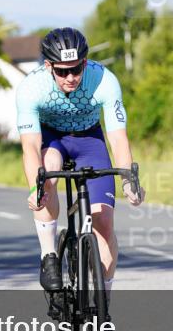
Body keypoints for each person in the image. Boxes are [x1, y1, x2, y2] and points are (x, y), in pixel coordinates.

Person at [16, 27, 144, 296]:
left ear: (85, 62)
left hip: (89, 140)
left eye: (76, 69)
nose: (71, 77)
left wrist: (129, 181)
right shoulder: (32, 87)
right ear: (49, 66)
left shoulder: (104, 80)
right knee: (47, 173)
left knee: (105, 222)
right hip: (52, 139)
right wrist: (34, 188)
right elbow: (29, 145)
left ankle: (104, 297)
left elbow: (118, 139)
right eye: (62, 71)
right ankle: (49, 255)